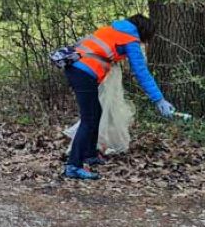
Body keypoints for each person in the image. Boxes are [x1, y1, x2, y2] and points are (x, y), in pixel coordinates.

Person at [64, 14, 174, 180]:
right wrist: (158, 99)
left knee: (96, 112)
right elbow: (141, 72)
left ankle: (90, 155)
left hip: (76, 68)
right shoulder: (130, 38)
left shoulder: (114, 29)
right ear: (144, 31)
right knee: (89, 119)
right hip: (83, 73)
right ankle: (73, 166)